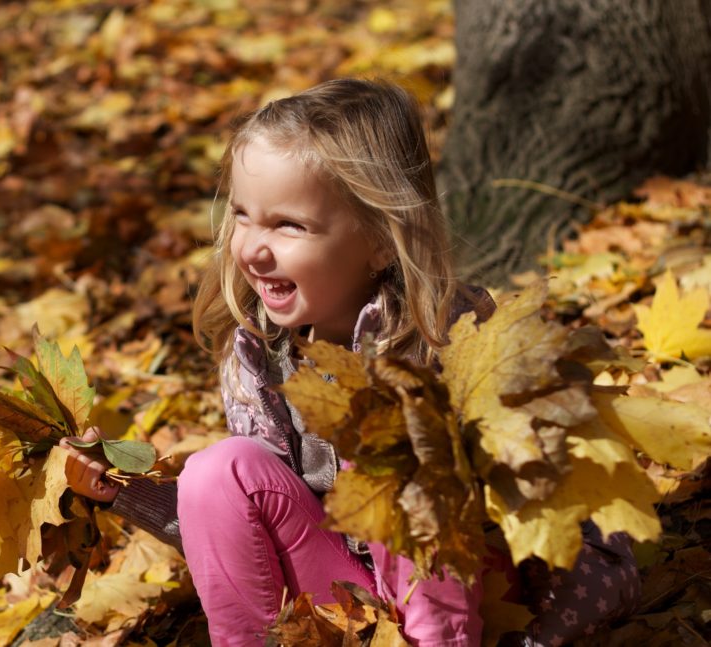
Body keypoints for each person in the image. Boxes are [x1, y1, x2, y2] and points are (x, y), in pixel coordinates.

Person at [61, 79, 639, 646]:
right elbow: (239, 542)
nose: (253, 249)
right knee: (217, 471)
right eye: (242, 214)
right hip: (348, 604)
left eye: (289, 225)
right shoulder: (257, 358)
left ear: (381, 241)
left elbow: (553, 507)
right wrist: (121, 491)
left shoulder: (450, 341)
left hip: (484, 600)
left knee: (395, 451)